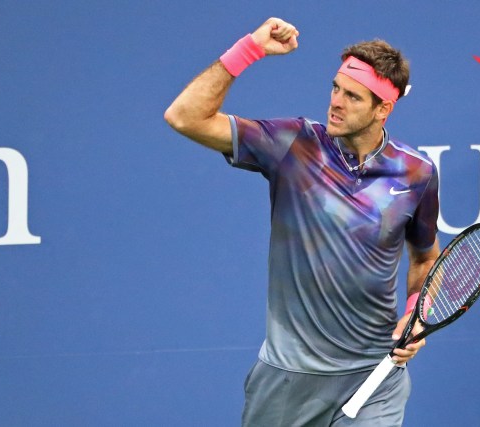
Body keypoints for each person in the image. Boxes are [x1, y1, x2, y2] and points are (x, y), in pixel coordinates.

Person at [165, 17, 440, 427]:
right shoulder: (293, 144)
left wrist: (417, 311)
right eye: (335, 88)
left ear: (383, 109)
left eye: (352, 96)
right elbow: (184, 117)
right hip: (288, 378)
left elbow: (424, 260)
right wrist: (249, 49)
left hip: (375, 374)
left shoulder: (416, 172)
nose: (336, 101)